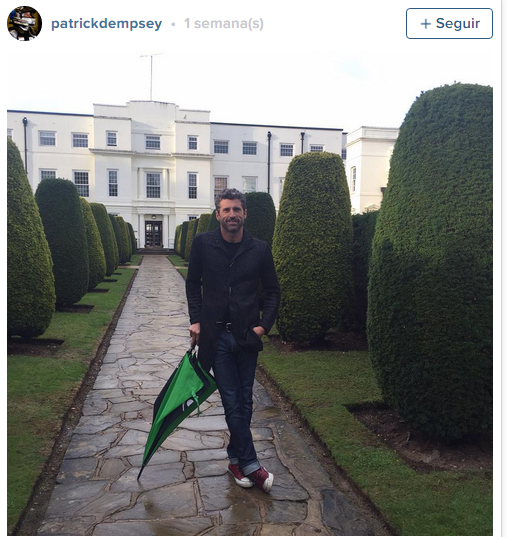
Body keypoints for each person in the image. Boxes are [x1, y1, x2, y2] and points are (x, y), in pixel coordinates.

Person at [185, 188, 280, 492]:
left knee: (245, 400)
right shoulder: (203, 244)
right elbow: (192, 284)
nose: (231, 215)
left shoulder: (259, 249)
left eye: (236, 209)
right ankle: (252, 465)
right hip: (217, 337)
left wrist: (262, 327)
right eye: (226, 210)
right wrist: (196, 320)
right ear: (218, 215)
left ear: (245, 214)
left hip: (247, 337)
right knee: (231, 399)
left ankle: (236, 459)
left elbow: (272, 291)